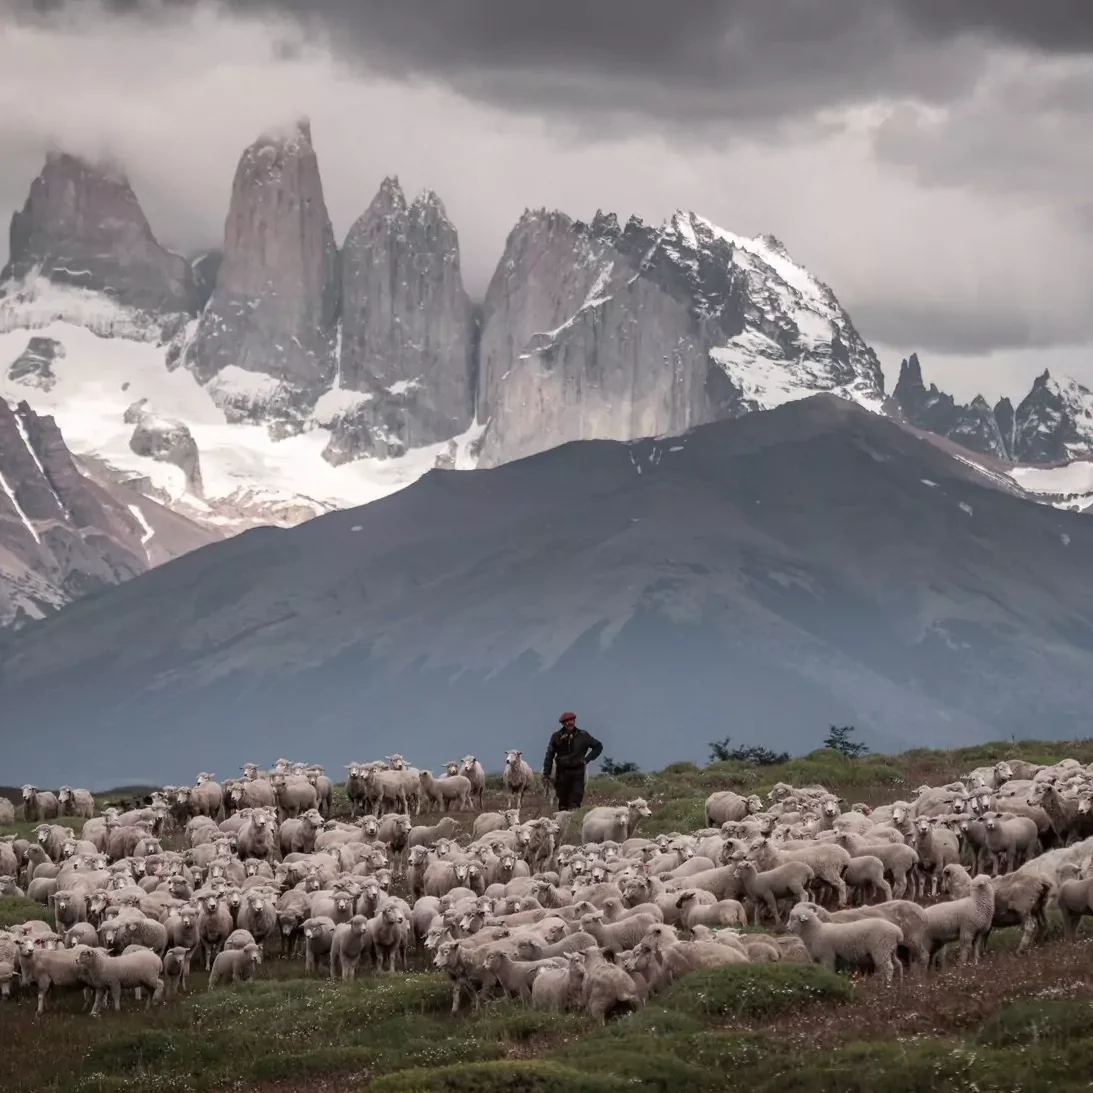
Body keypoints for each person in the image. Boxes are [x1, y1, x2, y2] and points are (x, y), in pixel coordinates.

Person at [542, 712, 603, 810]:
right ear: (563, 724)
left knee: (575, 801)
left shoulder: (583, 735)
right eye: (567, 721)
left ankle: (573, 823)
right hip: (562, 773)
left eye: (571, 720)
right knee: (562, 803)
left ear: (574, 721)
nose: (570, 723)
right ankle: (562, 823)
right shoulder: (556, 736)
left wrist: (587, 759)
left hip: (578, 773)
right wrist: (546, 773)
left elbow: (598, 746)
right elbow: (549, 754)